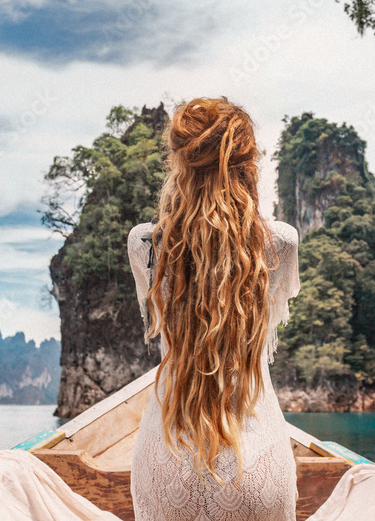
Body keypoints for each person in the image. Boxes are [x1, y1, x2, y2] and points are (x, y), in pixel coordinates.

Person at [126, 96, 301, 520]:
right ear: (248, 163)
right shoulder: (280, 243)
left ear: (179, 163)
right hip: (256, 461)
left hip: (167, 458)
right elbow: (267, 334)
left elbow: (160, 324)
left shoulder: (146, 244)